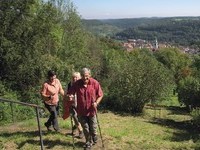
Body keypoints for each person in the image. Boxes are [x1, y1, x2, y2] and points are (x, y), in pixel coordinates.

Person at [66, 68, 103, 148]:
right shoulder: (77, 84)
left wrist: (96, 103)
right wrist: (70, 96)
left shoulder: (94, 83)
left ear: (89, 75)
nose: (85, 78)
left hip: (91, 110)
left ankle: (94, 136)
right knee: (85, 128)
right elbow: (70, 93)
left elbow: (100, 95)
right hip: (81, 111)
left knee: (93, 127)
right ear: (81, 76)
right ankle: (88, 142)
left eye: (86, 76)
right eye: (82, 76)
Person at [63, 72, 83, 138]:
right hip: (72, 104)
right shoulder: (69, 85)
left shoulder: (83, 84)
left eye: (76, 77)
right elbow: (64, 95)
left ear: (80, 78)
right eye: (73, 77)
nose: (75, 78)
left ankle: (75, 128)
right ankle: (80, 132)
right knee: (75, 117)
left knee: (81, 118)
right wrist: (68, 97)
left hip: (81, 104)